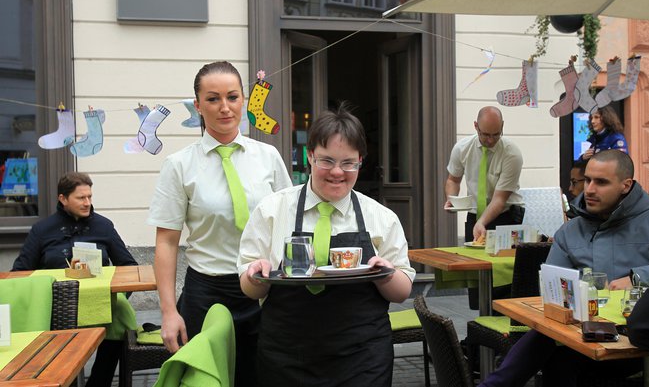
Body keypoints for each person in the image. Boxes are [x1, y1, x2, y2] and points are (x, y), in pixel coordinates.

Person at [238, 103, 415, 387]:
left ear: (360, 161)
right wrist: (256, 275)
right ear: (310, 156)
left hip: (362, 356)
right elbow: (249, 289)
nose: (337, 172)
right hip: (286, 354)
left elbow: (402, 292)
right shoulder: (273, 209)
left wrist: (387, 273)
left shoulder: (381, 218)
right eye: (327, 161)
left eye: (348, 163)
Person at [147, 61, 292, 387]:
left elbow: (290, 224)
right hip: (206, 293)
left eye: (232, 96)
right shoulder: (179, 165)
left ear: (244, 100)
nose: (224, 107)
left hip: (264, 291)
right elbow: (167, 243)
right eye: (213, 99)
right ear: (197, 106)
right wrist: (168, 313)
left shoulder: (268, 157)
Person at [479, 150, 649, 387]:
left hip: (643, 334)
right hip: (582, 333)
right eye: (587, 180)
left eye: (601, 182)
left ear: (626, 185)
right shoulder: (570, 231)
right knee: (553, 346)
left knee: (552, 350)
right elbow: (553, 292)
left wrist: (638, 277)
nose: (590, 189)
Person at [12, 171, 137, 387]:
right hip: (56, 305)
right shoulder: (42, 230)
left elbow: (129, 266)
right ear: (63, 199)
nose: (87, 203)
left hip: (101, 302)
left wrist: (116, 293)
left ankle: (99, 382)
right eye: (81, 198)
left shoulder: (104, 226)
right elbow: (20, 272)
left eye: (90, 197)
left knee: (121, 313)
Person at [444, 106, 524, 242]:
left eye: (496, 134)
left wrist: (482, 222)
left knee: (503, 261)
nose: (491, 140)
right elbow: (453, 180)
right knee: (472, 261)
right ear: (476, 126)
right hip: (474, 215)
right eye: (486, 134)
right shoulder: (462, 148)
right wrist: (451, 199)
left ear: (502, 125)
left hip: (506, 215)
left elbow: (500, 199)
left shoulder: (512, 154)